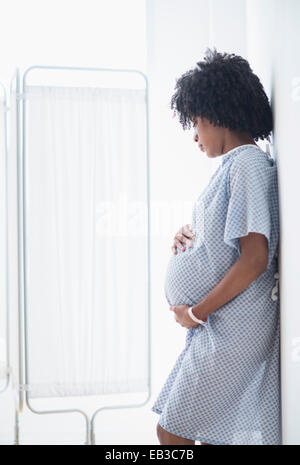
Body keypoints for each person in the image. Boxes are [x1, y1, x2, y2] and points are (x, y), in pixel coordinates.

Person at [151, 47, 281, 445]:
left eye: (196, 122)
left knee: (171, 433)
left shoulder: (245, 164)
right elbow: (225, 240)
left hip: (231, 326)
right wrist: (187, 238)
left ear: (216, 114)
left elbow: (255, 258)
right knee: (209, 435)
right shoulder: (238, 167)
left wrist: (195, 311)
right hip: (224, 323)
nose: (195, 135)